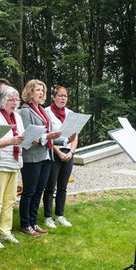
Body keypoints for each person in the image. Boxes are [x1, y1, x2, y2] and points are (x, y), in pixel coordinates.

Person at [18, 79, 61, 236]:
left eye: (43, 90)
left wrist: (63, 139)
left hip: (46, 155)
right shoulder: (25, 111)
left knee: (39, 191)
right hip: (32, 156)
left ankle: (33, 222)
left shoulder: (43, 110)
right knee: (29, 191)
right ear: (29, 92)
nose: (41, 93)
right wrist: (47, 136)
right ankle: (25, 224)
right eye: (38, 90)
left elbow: (47, 135)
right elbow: (29, 136)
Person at [0, 86, 25, 249]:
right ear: (1, 100)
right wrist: (11, 141)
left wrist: (29, 140)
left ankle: (5, 231)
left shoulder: (17, 116)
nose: (14, 103)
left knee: (10, 199)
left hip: (14, 161)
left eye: (16, 100)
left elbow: (21, 135)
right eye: (11, 100)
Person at [43, 86, 78, 228]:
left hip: (68, 153)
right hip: (53, 151)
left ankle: (60, 215)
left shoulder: (71, 114)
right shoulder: (46, 112)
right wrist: (59, 152)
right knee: (50, 186)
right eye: (60, 95)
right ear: (53, 96)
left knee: (63, 186)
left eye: (65, 96)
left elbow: (75, 137)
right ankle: (47, 216)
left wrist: (71, 152)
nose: (63, 98)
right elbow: (47, 137)